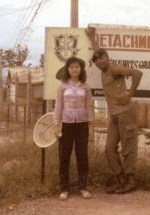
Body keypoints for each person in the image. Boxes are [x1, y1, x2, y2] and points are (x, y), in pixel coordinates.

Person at [86, 27, 143, 194]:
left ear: (107, 58)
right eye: (96, 61)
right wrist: (92, 37)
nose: (99, 61)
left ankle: (130, 181)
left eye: (102, 58)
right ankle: (120, 179)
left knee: (128, 148)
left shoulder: (114, 68)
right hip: (114, 116)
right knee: (109, 149)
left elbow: (137, 73)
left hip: (125, 112)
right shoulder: (103, 69)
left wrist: (130, 94)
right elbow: (98, 52)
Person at [53, 56, 94, 200]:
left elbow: (89, 106)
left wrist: (91, 128)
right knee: (64, 157)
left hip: (82, 125)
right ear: (67, 69)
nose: (74, 69)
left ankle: (83, 187)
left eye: (77, 67)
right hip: (66, 124)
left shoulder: (86, 87)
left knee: (82, 156)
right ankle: (64, 189)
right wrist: (57, 124)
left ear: (81, 69)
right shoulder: (62, 86)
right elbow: (58, 105)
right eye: (71, 67)